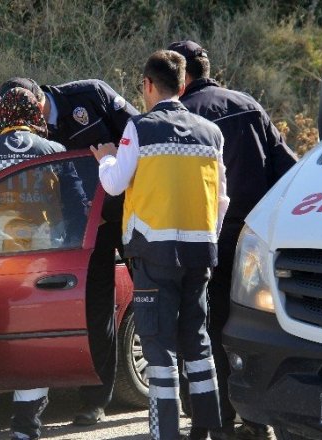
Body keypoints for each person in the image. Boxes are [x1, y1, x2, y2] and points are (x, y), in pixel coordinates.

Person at [90, 49, 228, 440]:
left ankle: (165, 431)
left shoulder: (139, 128)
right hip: (200, 252)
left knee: (159, 346)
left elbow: (115, 183)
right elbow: (221, 199)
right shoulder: (211, 133)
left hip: (154, 253)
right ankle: (206, 429)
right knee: (197, 342)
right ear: (183, 86)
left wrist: (106, 159)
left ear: (148, 85)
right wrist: (207, 239)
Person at [168, 39, 297, 440]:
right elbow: (288, 170)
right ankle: (257, 420)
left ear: (182, 76)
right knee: (254, 328)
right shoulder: (248, 105)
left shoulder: (178, 117)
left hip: (201, 240)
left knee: (203, 329)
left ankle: (217, 421)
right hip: (252, 243)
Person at [0, 76, 139, 426]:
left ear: (38, 100)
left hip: (134, 212)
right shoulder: (32, 135)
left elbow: (141, 135)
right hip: (87, 232)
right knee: (96, 311)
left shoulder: (90, 95)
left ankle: (185, 389)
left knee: (156, 297)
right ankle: (95, 400)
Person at [0, 86, 79, 440]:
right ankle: (26, 428)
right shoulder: (56, 152)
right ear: (36, 115)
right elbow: (77, 211)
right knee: (33, 344)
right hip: (39, 266)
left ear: (1, 114)